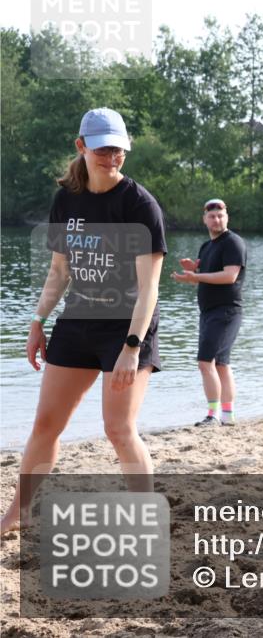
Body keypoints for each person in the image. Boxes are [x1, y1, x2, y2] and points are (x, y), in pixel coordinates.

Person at [1, 108, 166, 533]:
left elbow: (149, 289)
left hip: (126, 327)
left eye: (119, 149)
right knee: (45, 424)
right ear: (82, 147)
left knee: (118, 429)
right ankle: (16, 514)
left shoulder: (140, 205)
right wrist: (38, 321)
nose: (112, 157)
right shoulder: (66, 200)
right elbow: (60, 271)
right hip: (78, 320)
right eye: (103, 149)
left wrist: (132, 347)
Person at [171, 199, 247, 427]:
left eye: (220, 215)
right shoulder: (206, 246)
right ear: (204, 219)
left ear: (227, 217)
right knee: (221, 364)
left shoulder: (233, 242)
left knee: (205, 362)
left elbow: (229, 276)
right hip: (209, 312)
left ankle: (213, 415)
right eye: (212, 216)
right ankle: (228, 415)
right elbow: (207, 278)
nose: (217, 219)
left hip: (226, 311)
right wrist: (192, 273)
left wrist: (197, 276)